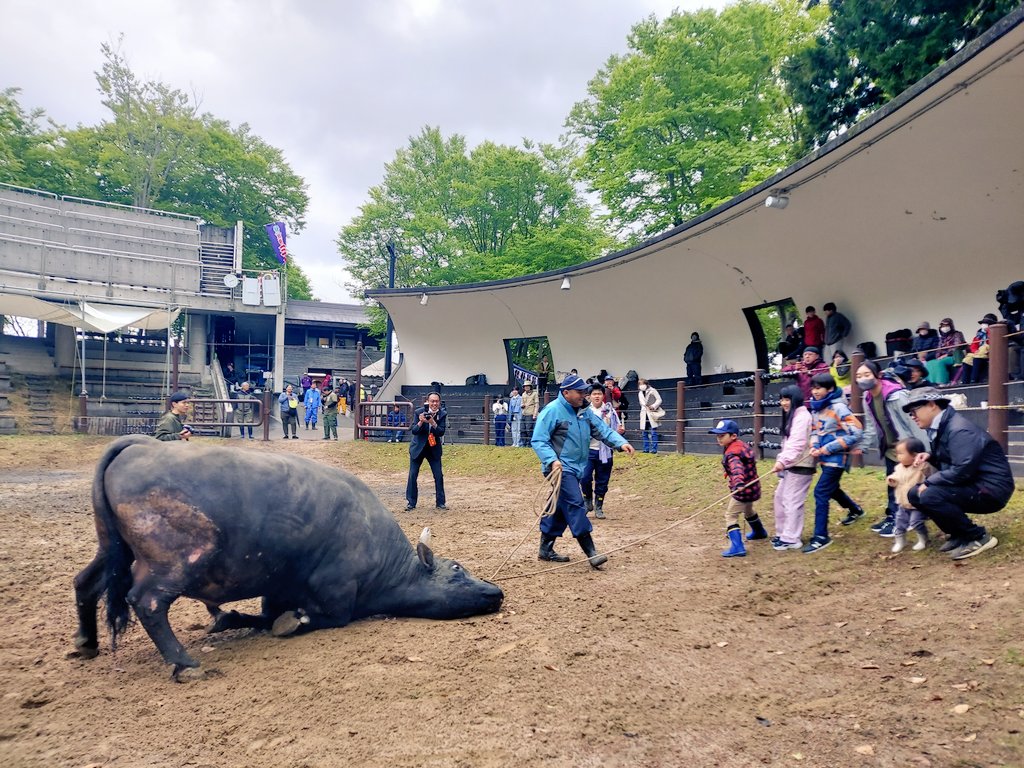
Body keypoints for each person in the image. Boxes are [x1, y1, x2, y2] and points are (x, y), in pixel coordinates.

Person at [531, 374, 635, 566]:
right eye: (579, 392)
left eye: (584, 392)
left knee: (561, 507)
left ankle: (545, 549)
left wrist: (621, 443)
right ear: (566, 392)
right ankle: (591, 552)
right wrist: (552, 460)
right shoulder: (552, 411)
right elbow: (539, 440)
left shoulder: (584, 412)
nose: (584, 395)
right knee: (576, 503)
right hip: (560, 468)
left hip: (577, 467)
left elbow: (602, 431)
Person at [904, 387, 1014, 559]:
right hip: (976, 483)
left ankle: (978, 537)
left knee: (929, 494)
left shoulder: (959, 429)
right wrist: (931, 457)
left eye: (914, 410)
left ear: (932, 405)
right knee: (914, 494)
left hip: (991, 490)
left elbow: (962, 470)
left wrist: (929, 482)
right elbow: (954, 460)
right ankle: (958, 533)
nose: (912, 416)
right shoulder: (943, 425)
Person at [855, 359, 927, 537]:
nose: (862, 379)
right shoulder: (868, 397)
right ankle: (893, 516)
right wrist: (863, 446)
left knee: (910, 486)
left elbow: (914, 423)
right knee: (893, 484)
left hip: (908, 449)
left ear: (878, 376)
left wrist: (923, 449)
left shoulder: (896, 395)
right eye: (858, 376)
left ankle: (906, 520)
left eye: (866, 375)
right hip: (889, 449)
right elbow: (872, 426)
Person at [805, 372, 863, 553]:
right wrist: (814, 445)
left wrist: (828, 448)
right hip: (823, 457)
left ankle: (821, 536)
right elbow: (815, 430)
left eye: (819, 388)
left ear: (830, 389)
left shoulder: (839, 408)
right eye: (813, 388)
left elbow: (856, 432)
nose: (815, 391)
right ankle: (855, 510)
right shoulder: (816, 408)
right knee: (832, 489)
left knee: (821, 492)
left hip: (837, 458)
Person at [709, 419, 766, 558]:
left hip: (743, 490)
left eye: (722, 436)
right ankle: (759, 532)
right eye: (718, 435)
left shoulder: (732, 453)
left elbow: (737, 469)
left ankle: (737, 546)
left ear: (733, 436)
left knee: (730, 516)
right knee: (748, 510)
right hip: (753, 488)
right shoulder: (740, 446)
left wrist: (739, 483)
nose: (719, 438)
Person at [770, 385, 815, 551]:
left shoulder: (802, 417)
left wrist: (782, 461)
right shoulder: (793, 416)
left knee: (792, 501)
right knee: (779, 498)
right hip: (790, 465)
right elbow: (788, 443)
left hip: (801, 465)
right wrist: (783, 463)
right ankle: (783, 534)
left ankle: (791, 538)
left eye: (787, 399)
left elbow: (797, 443)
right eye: (781, 399)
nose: (783, 403)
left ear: (795, 399)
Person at [581, 384, 625, 519]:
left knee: (602, 480)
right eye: (594, 394)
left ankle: (599, 506)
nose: (597, 396)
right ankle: (587, 499)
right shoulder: (584, 412)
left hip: (605, 451)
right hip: (588, 450)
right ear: (589, 396)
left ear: (603, 396)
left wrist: (619, 433)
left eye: (599, 394)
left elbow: (617, 427)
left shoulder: (609, 411)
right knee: (584, 477)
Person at [886, 437, 933, 554]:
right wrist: (892, 480)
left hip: (917, 503)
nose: (898, 456)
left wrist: (923, 465)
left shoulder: (923, 466)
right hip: (903, 502)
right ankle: (900, 541)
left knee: (916, 521)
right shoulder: (899, 467)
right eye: (897, 453)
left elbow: (931, 475)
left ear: (914, 455)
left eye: (901, 453)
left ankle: (923, 539)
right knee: (899, 522)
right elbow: (896, 477)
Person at [405, 392, 447, 511]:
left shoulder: (442, 414)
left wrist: (432, 423)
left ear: (439, 402)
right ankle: (411, 502)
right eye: (432, 401)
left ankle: (440, 502)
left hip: (433, 448)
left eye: (436, 401)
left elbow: (441, 432)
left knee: (438, 475)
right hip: (418, 447)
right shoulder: (419, 412)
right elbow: (414, 430)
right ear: (428, 402)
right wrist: (421, 421)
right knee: (413, 475)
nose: (434, 403)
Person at [638, 378, 664, 454]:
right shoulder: (640, 393)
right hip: (644, 413)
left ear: (646, 384)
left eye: (642, 384)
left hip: (652, 412)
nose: (641, 386)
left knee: (653, 432)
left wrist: (653, 406)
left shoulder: (653, 390)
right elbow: (641, 403)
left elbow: (659, 400)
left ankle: (654, 449)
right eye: (640, 384)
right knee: (644, 432)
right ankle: (646, 449)